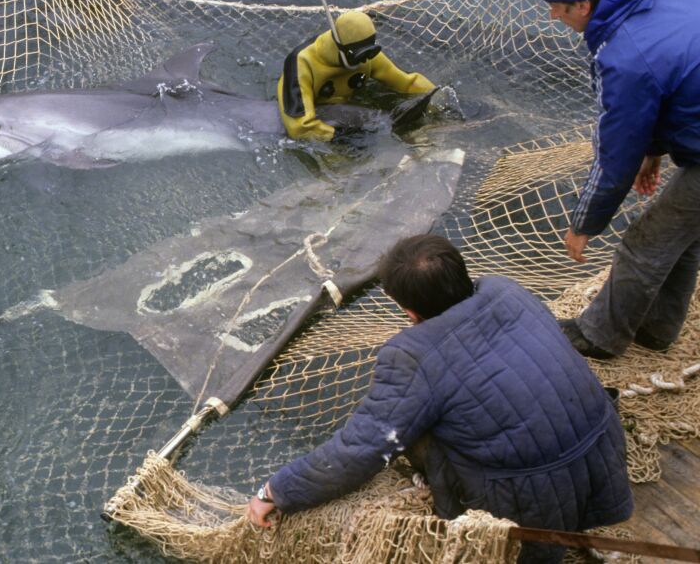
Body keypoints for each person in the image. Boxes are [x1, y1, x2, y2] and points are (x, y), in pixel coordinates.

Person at [245, 235, 632, 564]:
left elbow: (359, 450)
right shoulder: (506, 290)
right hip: (604, 458)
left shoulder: (411, 355)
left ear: (408, 310)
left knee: (409, 426)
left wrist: (276, 491)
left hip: (531, 505)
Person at [530, 0, 700, 359]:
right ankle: (656, 329)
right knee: (682, 235)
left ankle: (599, 337)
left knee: (643, 242)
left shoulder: (624, 55)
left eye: (558, 7)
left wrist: (584, 225)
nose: (552, 16)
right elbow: (675, 86)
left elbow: (614, 158)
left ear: (584, 6)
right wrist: (655, 153)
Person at [277, 1, 436, 141]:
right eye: (361, 55)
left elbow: (408, 83)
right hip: (320, 116)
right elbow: (299, 127)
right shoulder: (301, 62)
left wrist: (436, 101)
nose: (366, 60)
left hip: (350, 111)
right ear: (340, 48)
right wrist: (343, 137)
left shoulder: (366, 55)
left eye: (371, 52)